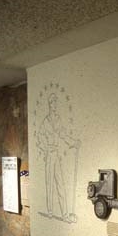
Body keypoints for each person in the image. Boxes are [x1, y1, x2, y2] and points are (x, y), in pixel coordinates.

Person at [37, 93, 80, 222]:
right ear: (49, 105)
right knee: (49, 184)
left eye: (56, 103)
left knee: (60, 183)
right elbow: (39, 138)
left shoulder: (57, 119)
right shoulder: (46, 121)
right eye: (53, 103)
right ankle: (50, 211)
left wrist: (73, 142)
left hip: (56, 154)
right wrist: (45, 149)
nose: (55, 105)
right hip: (49, 154)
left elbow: (63, 134)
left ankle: (64, 214)